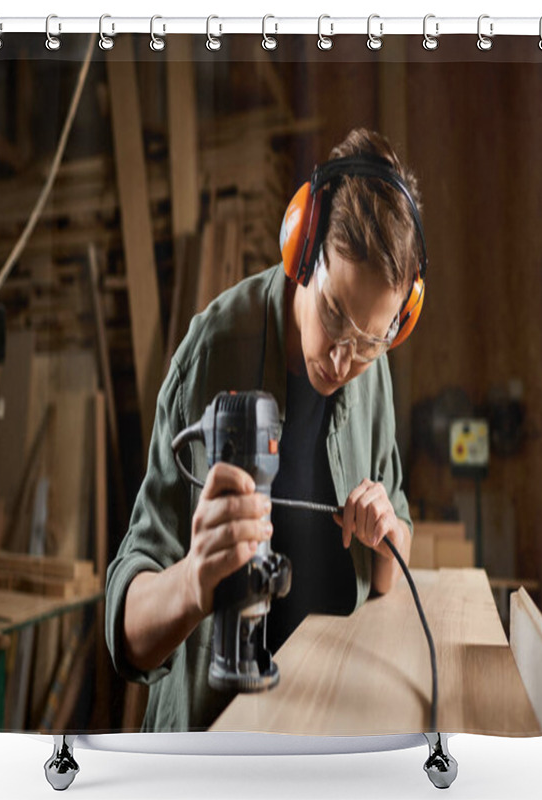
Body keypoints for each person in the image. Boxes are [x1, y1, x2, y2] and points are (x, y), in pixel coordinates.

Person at [105, 128, 427, 732]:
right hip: (216, 742)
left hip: (332, 720)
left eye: (368, 342)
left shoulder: (373, 371)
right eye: (333, 315)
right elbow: (127, 635)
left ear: (397, 324)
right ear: (301, 252)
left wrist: (388, 537)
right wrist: (194, 582)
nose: (340, 360)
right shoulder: (212, 352)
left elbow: (393, 557)